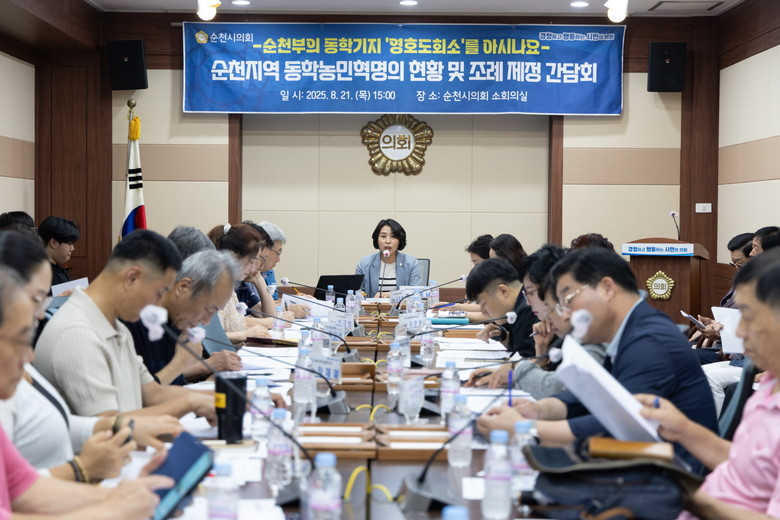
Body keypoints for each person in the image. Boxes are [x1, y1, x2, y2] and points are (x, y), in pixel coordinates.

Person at [477, 247, 717, 471]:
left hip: (674, 478)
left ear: (606, 288)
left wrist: (525, 429)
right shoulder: (630, 330)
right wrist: (538, 409)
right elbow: (592, 397)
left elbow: (618, 426)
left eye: (568, 300)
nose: (565, 315)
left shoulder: (650, 341)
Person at [0, 231, 182, 481]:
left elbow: (61, 425)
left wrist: (119, 426)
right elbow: (14, 489)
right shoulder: (74, 332)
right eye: (38, 298)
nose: (42, 313)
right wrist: (82, 469)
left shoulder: (118, 326)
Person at [638, 247, 780, 519]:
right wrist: (681, 427)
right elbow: (743, 463)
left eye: (749, 317)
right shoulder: (770, 384)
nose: (738, 332)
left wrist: (687, 495)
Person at [33, 230, 217, 421]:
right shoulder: (77, 333)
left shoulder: (117, 327)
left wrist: (220, 398)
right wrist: (192, 402)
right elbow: (110, 425)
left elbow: (152, 393)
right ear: (132, 278)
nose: (159, 306)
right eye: (159, 293)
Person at [124, 249, 243, 385]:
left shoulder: (176, 322)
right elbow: (140, 394)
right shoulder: (133, 319)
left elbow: (175, 387)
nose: (206, 322)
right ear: (184, 287)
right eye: (208, 310)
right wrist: (180, 363)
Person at [207, 223, 274, 344]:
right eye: (251, 261)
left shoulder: (228, 286)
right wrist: (244, 335)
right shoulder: (211, 286)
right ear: (233, 256)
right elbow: (207, 336)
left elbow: (235, 324)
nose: (252, 268)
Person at [464, 258, 536, 357]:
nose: (484, 312)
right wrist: (503, 336)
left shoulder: (527, 311)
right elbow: (519, 348)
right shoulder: (519, 304)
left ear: (503, 291)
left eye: (483, 304)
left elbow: (526, 361)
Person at [356, 218, 420, 297]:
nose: (388, 241)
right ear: (377, 239)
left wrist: (392, 295)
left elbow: (415, 291)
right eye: (383, 236)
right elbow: (357, 292)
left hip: (400, 305)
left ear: (399, 240)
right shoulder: (364, 263)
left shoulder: (411, 263)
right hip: (373, 305)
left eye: (393, 237)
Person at [37, 216, 81, 287]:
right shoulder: (44, 275)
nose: (72, 248)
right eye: (69, 244)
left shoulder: (54, 270)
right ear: (53, 243)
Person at [258, 220, 287, 300]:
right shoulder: (247, 274)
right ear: (264, 248)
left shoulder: (269, 271)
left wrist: (297, 300)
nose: (278, 260)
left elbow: (274, 301)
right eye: (278, 253)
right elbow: (258, 306)